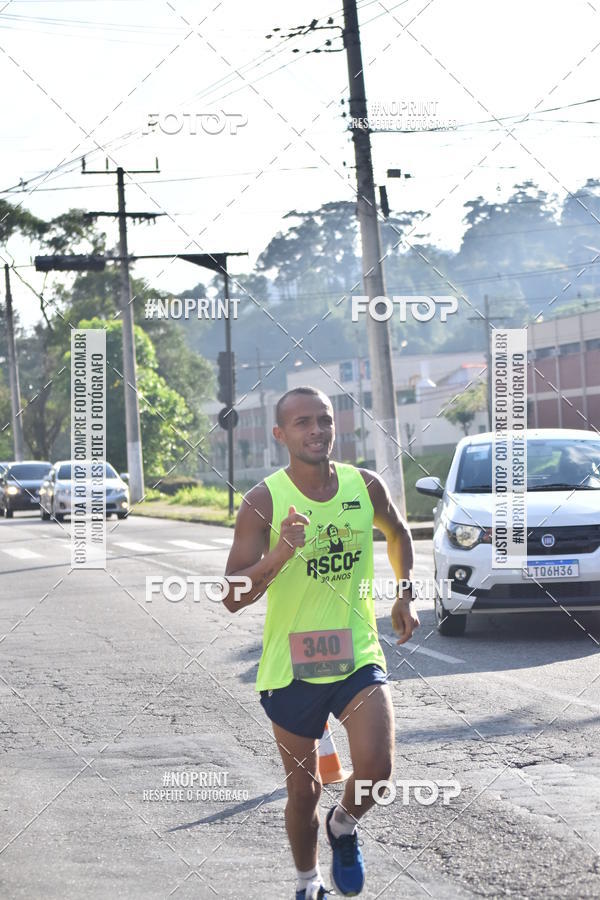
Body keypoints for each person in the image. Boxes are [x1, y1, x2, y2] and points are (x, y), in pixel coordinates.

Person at [222, 386, 418, 899]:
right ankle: (308, 884)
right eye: (303, 422)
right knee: (303, 789)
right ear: (280, 434)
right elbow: (231, 596)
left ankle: (344, 824)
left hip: (356, 653)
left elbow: (398, 533)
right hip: (290, 667)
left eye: (324, 420)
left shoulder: (365, 486)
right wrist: (279, 554)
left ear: (336, 426)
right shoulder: (263, 502)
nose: (316, 431)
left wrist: (404, 596)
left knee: (377, 770)